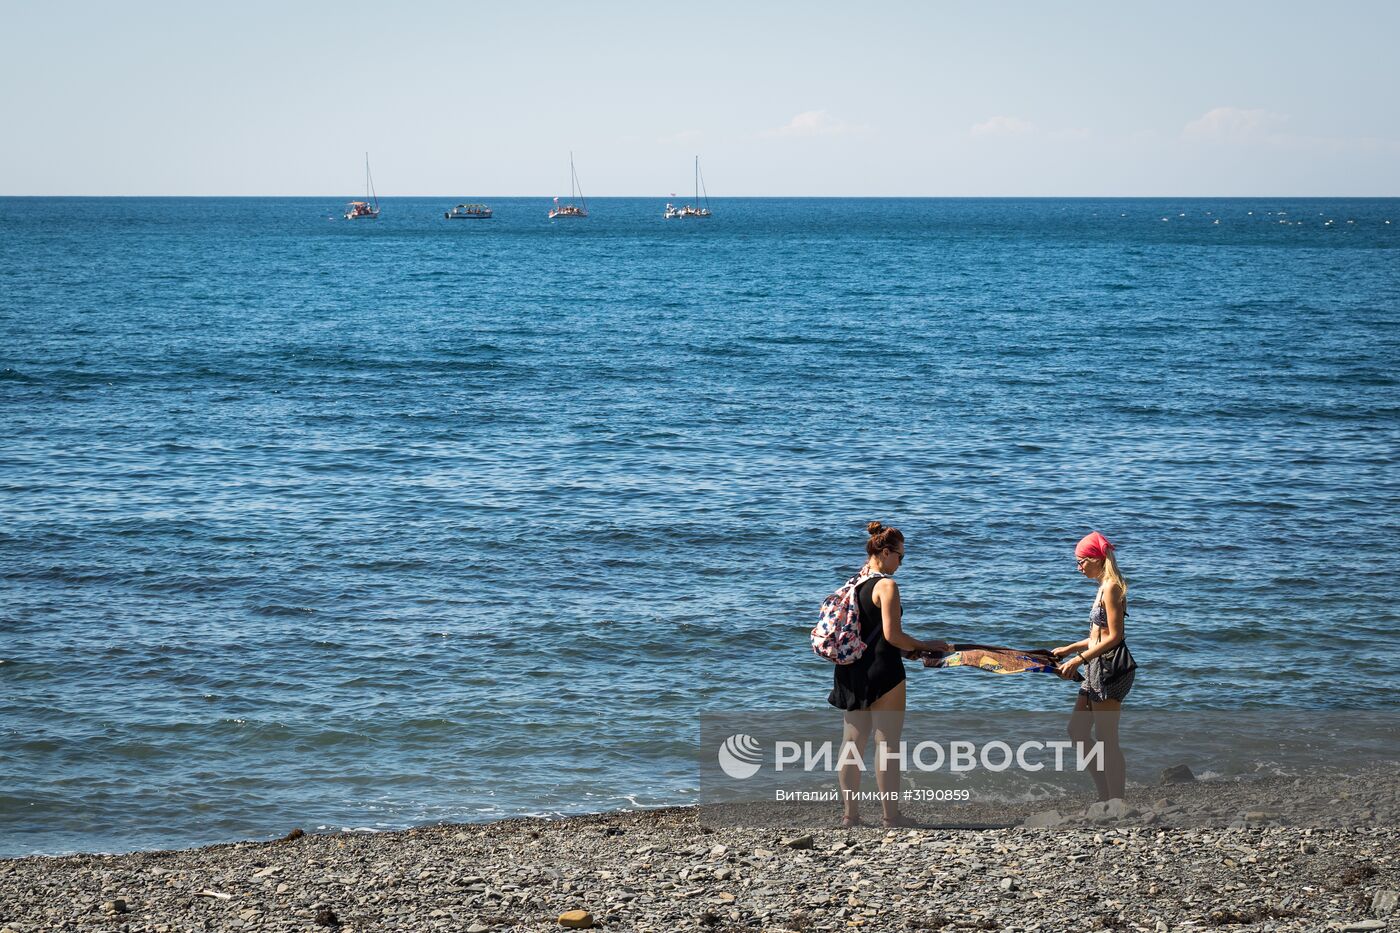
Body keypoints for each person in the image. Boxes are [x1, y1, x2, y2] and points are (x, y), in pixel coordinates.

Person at [828, 521, 951, 827]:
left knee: (851, 745)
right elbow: (892, 635)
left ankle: (850, 816)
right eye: (900, 556)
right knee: (888, 746)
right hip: (883, 672)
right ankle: (890, 816)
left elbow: (870, 633)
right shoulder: (887, 585)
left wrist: (908, 648)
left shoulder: (852, 585)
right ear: (885, 552)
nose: (901, 563)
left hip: (850, 669)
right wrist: (925, 645)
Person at [1052, 530, 1137, 801]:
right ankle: (1104, 796)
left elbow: (1115, 636)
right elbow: (1095, 636)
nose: (1078, 567)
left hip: (1110, 669)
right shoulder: (1102, 586)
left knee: (1106, 740)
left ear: (1097, 558)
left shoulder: (1111, 587)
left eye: (1081, 561)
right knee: (1076, 731)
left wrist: (1078, 659)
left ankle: (1116, 801)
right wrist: (1070, 649)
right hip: (1094, 667)